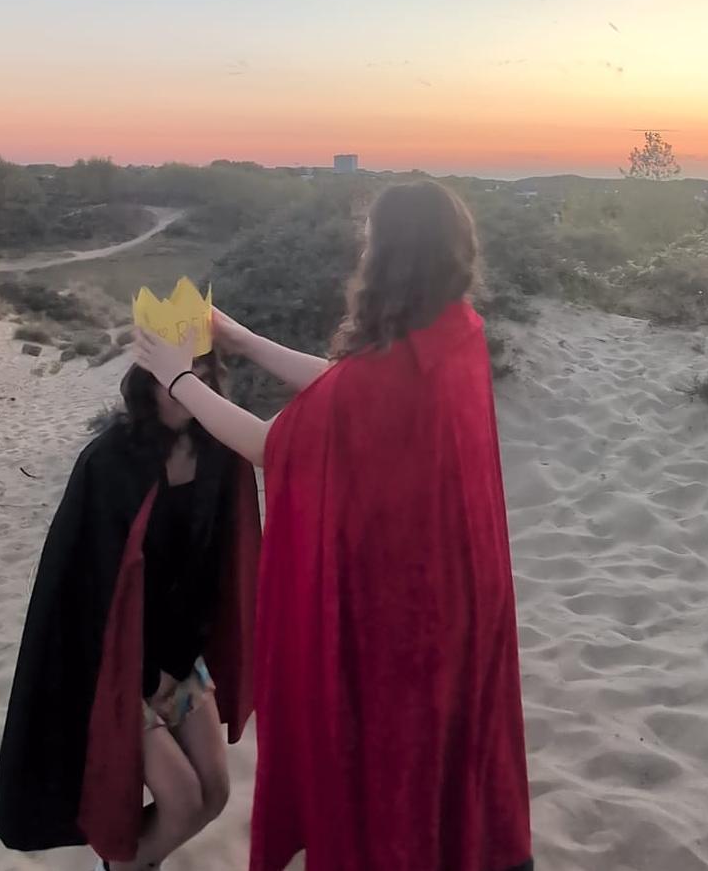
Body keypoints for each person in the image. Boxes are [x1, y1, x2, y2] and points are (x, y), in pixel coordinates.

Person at [131, 179, 533, 871]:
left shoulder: (387, 375)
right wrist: (243, 340)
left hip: (406, 621)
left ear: (389, 260)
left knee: (390, 779)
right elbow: (344, 388)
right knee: (450, 770)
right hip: (467, 605)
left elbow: (271, 445)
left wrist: (176, 379)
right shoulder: (458, 335)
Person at [0, 354, 261, 870]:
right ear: (147, 382)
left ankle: (130, 864)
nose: (188, 388)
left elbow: (216, 572)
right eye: (174, 377)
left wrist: (177, 664)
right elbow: (88, 590)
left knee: (214, 794)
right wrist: (145, 679)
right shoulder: (110, 462)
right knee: (182, 800)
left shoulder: (219, 456)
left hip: (179, 655)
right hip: (112, 669)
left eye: (202, 376)